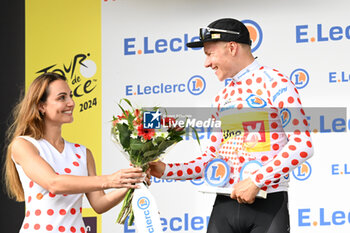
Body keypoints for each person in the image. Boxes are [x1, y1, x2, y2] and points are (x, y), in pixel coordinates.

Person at [149, 18, 314, 233]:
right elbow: (211, 159)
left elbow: (303, 145)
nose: (206, 63)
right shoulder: (222, 97)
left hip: (268, 205)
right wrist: (166, 170)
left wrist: (257, 179)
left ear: (232, 47)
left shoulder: (275, 82)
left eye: (209, 54)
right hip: (223, 208)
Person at [3, 73, 147, 233]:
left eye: (70, 96)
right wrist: (109, 180)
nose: (71, 103)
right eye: (62, 97)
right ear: (41, 106)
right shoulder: (24, 145)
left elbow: (99, 203)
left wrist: (130, 181)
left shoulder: (83, 152)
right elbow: (54, 183)